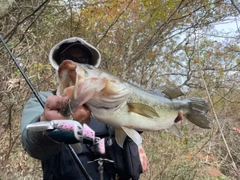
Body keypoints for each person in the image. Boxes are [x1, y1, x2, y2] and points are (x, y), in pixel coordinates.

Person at [21, 37, 147, 180]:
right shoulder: (42, 101)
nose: (75, 65)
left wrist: (137, 141)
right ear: (59, 67)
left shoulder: (106, 102)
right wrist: (49, 126)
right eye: (68, 59)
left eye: (82, 61)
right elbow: (32, 145)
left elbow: (125, 128)